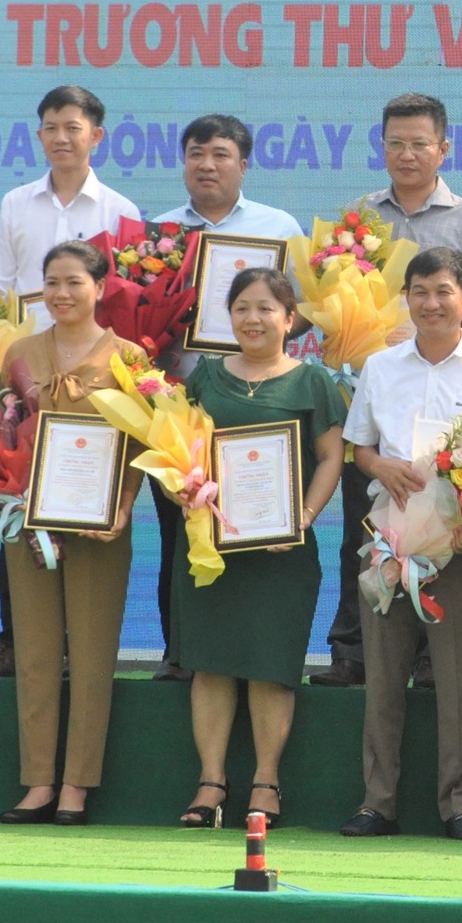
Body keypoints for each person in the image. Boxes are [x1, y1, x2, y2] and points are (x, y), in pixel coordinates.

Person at [315, 93, 462, 690]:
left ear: (443, 148)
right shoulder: (358, 219)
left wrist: (452, 368)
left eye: (420, 143)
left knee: (443, 526)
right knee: (364, 528)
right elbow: (336, 304)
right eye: (395, 142)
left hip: (451, 405)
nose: (407, 153)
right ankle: (354, 647)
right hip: (377, 401)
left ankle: (429, 652)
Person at [336, 248, 462, 842]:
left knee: (460, 683)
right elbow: (358, 447)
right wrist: (381, 467)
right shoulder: (381, 368)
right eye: (419, 291)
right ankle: (376, 802)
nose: (431, 303)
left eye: (443, 291)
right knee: (383, 678)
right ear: (407, 299)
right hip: (389, 545)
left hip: (460, 549)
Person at [0, 85, 141, 679]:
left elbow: (127, 303)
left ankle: (80, 644)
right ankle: (14, 640)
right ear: (39, 135)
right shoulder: (17, 202)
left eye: (73, 127)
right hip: (28, 371)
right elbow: (1, 291)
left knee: (81, 504)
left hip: (94, 376)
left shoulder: (121, 211)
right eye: (50, 127)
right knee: (19, 501)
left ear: (96, 135)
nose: (61, 137)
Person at [173, 267, 345, 831]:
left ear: (289, 319)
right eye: (243, 307)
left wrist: (304, 516)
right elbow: (178, 450)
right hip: (212, 548)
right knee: (210, 665)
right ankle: (210, 781)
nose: (254, 318)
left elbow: (331, 457)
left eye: (267, 308)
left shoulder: (313, 381)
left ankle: (266, 781)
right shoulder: (204, 379)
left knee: (273, 667)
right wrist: (185, 488)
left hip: (283, 550)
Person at [148, 113, 304, 682]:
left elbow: (304, 312)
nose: (207, 164)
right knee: (179, 535)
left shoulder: (279, 227)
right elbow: (136, 315)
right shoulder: (158, 232)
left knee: (256, 533)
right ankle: (179, 651)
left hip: (261, 405)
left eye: (219, 154)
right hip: (179, 412)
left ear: (244, 163)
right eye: (196, 153)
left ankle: (246, 654)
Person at [0, 242, 146, 826]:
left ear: (100, 287)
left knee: (90, 653)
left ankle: (78, 784)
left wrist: (125, 505)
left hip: (100, 528)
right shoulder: (20, 353)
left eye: (75, 282)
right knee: (33, 654)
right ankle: (37, 781)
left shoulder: (129, 357)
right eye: (52, 281)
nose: (62, 293)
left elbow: (147, 442)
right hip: (27, 524)